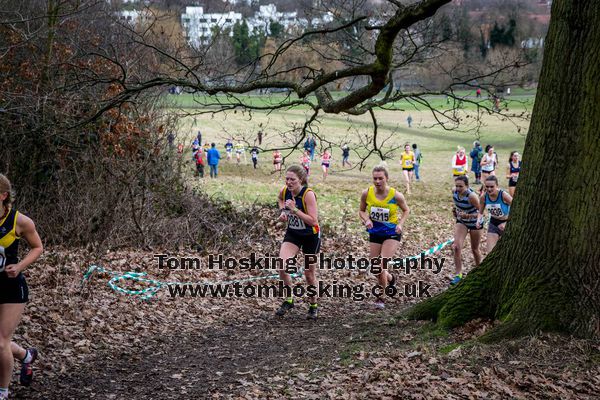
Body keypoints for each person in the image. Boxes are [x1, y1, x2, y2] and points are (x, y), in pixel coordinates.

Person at [0, 174, 43, 399]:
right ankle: (26, 355)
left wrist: (19, 266)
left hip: (11, 287)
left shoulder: (20, 221)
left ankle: (3, 392)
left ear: (3, 195)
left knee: (1, 342)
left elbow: (37, 247)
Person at [359, 165, 410, 309]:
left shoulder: (396, 195)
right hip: (375, 233)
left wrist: (400, 224)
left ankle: (380, 298)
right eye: (375, 178)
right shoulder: (366, 193)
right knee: (376, 269)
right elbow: (361, 211)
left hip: (392, 233)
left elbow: (406, 210)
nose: (377, 181)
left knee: (381, 265)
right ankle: (391, 279)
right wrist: (367, 220)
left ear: (386, 178)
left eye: (380, 178)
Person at [275, 166, 320, 320]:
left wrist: (294, 211)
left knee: (309, 274)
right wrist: (283, 211)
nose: (289, 182)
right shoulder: (285, 191)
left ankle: (313, 305)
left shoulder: (308, 195)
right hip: (294, 233)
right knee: (282, 264)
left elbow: (313, 221)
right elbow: (280, 199)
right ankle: (289, 300)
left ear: (300, 180)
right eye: (287, 179)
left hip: (310, 236)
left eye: (292, 179)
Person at [450, 175, 483, 285]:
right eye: (457, 186)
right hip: (462, 222)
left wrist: (468, 216)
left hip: (475, 223)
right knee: (456, 247)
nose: (458, 188)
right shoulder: (454, 191)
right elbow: (458, 206)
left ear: (467, 186)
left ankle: (480, 271)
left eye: (461, 186)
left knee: (474, 249)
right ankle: (458, 274)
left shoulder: (472, 196)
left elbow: (482, 213)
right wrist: (455, 211)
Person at [479, 175, 512, 254]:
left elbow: (517, 209)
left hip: (508, 222)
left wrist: (506, 223)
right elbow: (480, 212)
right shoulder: (483, 197)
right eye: (487, 187)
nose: (489, 189)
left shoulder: (503, 195)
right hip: (493, 223)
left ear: (497, 186)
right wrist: (478, 220)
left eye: (492, 186)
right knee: (490, 252)